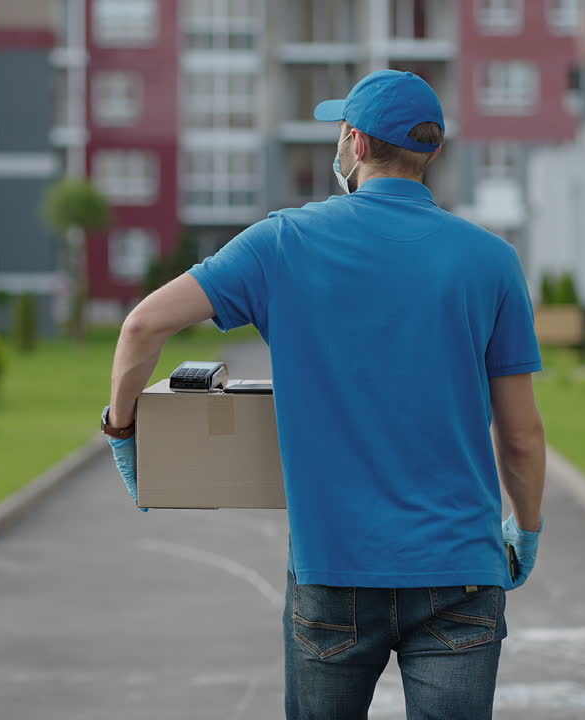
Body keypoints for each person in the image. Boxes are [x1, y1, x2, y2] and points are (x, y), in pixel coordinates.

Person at [103, 70, 546, 720]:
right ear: (432, 152)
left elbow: (142, 324)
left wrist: (124, 430)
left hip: (333, 575)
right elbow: (520, 435)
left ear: (357, 144)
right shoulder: (491, 261)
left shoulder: (284, 242)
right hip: (461, 573)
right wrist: (526, 530)